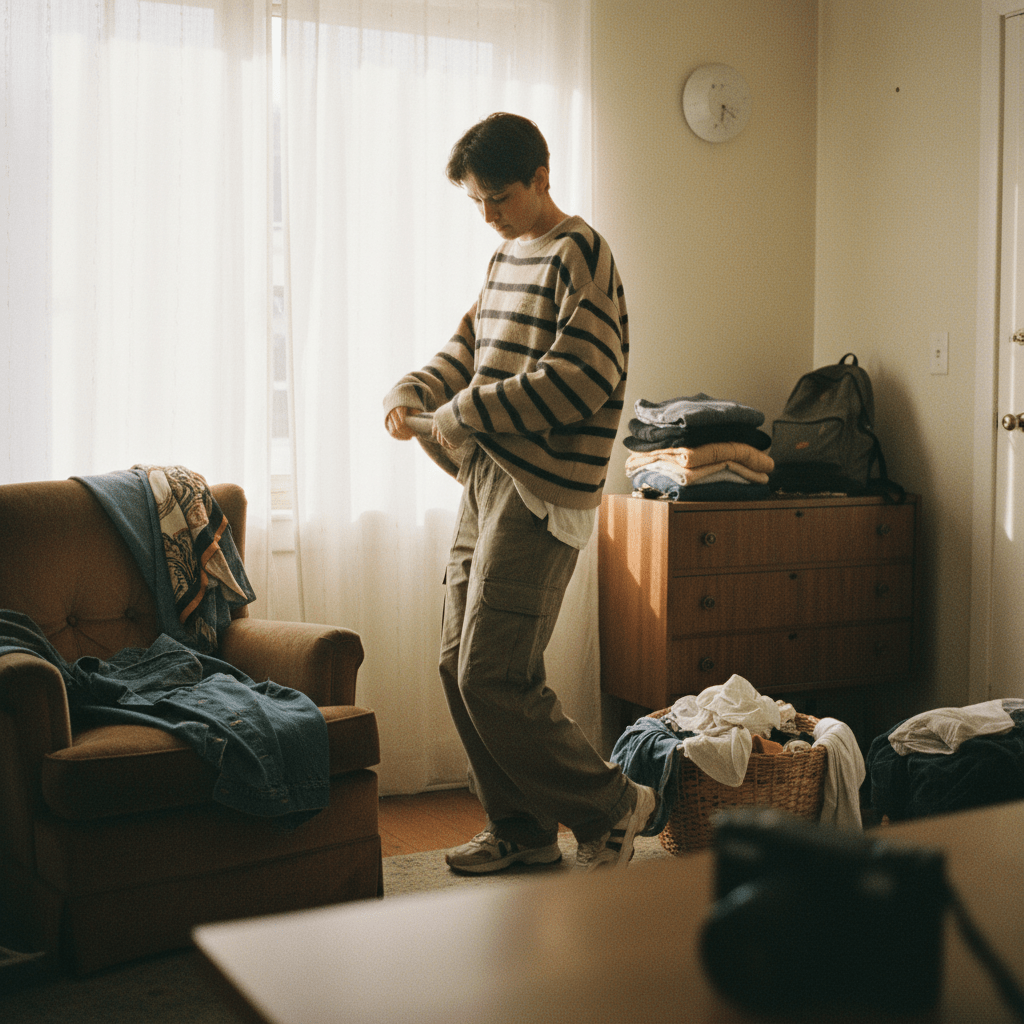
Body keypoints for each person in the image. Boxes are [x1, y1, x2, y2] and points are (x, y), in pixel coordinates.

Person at [383, 112, 655, 873]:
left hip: (541, 493)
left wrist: (465, 409)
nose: (489, 215)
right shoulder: (508, 257)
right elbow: (470, 350)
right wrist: (414, 390)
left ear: (542, 176)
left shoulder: (581, 254)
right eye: (476, 202)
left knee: (494, 674)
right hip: (487, 479)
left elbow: (585, 377)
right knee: (452, 663)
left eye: (498, 198)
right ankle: (525, 830)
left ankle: (612, 804)